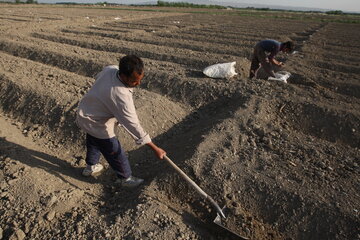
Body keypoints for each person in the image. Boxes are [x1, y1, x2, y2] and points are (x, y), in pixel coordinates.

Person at [76, 55, 166, 188]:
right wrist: (155, 148)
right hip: (98, 123)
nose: (138, 84)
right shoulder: (120, 96)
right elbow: (133, 125)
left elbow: (99, 77)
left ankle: (90, 167)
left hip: (85, 113)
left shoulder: (110, 70)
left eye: (140, 79)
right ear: (123, 76)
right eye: (134, 81)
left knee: (93, 142)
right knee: (115, 151)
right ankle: (125, 178)